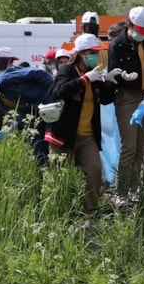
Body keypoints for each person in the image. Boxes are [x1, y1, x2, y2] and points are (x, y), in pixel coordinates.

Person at [45, 34, 123, 213]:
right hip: (63, 134)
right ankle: (60, 211)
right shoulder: (67, 70)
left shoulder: (94, 73)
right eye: (91, 53)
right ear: (80, 54)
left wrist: (109, 83)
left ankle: (91, 211)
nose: (95, 56)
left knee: (95, 170)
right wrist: (84, 79)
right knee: (60, 175)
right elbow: (59, 91)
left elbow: (104, 100)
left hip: (87, 135)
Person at [107, 6, 144, 198]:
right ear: (129, 24)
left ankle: (134, 190)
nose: (141, 35)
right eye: (139, 31)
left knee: (139, 149)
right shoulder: (117, 45)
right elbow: (113, 72)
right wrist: (123, 76)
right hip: (127, 98)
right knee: (128, 148)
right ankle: (121, 193)